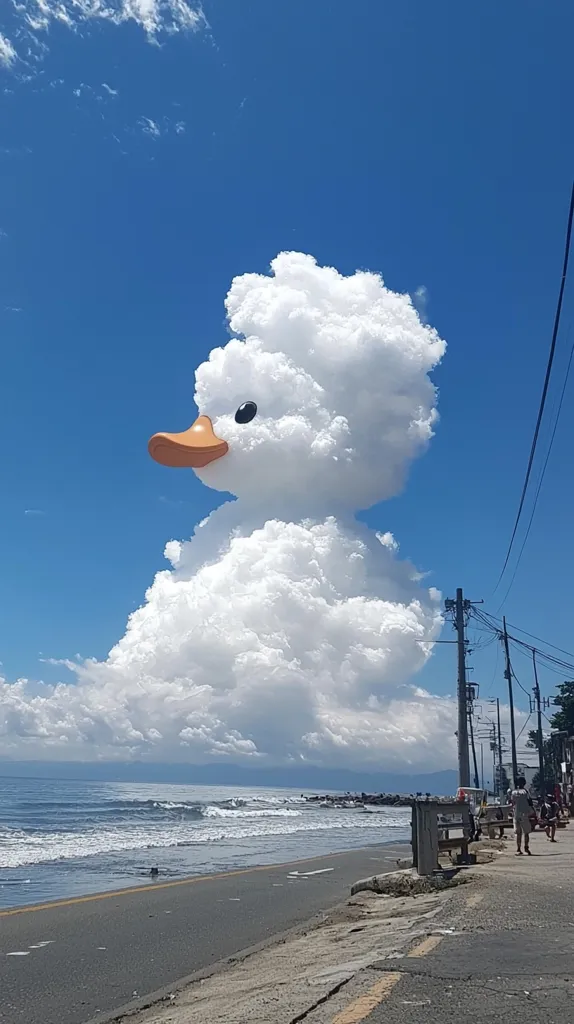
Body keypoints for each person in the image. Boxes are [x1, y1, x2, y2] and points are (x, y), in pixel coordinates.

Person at [510, 777, 533, 856]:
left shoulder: (513, 792)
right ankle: (526, 848)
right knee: (526, 833)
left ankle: (518, 849)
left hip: (516, 814)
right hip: (524, 814)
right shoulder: (526, 792)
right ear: (524, 783)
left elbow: (512, 803)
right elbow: (530, 802)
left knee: (518, 833)